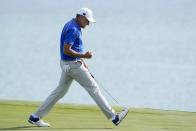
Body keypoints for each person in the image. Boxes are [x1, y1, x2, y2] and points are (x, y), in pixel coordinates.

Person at [28, 8, 129, 127]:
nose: (88, 23)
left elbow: (71, 48)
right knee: (93, 88)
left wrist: (81, 60)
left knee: (60, 91)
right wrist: (84, 56)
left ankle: (35, 117)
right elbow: (67, 49)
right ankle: (114, 117)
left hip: (66, 64)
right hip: (73, 65)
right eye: (87, 21)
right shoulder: (73, 29)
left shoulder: (71, 24)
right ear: (81, 17)